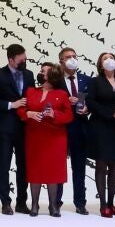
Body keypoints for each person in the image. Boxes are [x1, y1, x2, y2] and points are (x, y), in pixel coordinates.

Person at [17, 64, 74, 217]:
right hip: (34, 136)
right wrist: (28, 114)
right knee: (34, 170)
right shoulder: (31, 91)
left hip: (55, 138)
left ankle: (53, 205)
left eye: (43, 71)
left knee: (53, 171)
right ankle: (34, 204)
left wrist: (54, 114)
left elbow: (69, 116)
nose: (40, 73)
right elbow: (21, 108)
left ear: (52, 75)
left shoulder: (61, 94)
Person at [86, 52, 115, 218]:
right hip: (101, 126)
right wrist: (111, 113)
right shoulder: (95, 81)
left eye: (111, 58)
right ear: (100, 64)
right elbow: (91, 102)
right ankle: (103, 205)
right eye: (105, 58)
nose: (109, 60)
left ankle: (111, 203)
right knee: (101, 164)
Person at [0, 44, 33, 215]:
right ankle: (5, 202)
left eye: (25, 59)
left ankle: (22, 202)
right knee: (4, 164)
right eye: (21, 60)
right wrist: (11, 104)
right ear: (11, 60)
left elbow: (31, 97)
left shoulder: (29, 74)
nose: (24, 62)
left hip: (25, 126)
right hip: (6, 126)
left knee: (23, 165)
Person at [59, 47, 94, 215]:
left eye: (74, 56)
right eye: (68, 57)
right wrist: (65, 101)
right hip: (60, 129)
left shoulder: (87, 80)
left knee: (79, 167)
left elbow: (93, 101)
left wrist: (87, 109)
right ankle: (55, 201)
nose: (72, 59)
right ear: (61, 61)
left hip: (80, 128)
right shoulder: (56, 80)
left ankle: (80, 203)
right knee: (59, 167)